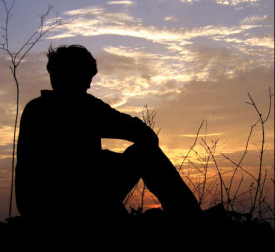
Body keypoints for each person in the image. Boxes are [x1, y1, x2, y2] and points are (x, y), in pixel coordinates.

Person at [15, 44, 201, 233]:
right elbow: (146, 136)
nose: (89, 85)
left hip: (35, 208)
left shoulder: (33, 108)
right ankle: (192, 220)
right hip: (76, 205)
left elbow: (65, 159)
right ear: (77, 75)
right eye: (88, 78)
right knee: (146, 152)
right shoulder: (81, 105)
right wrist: (108, 159)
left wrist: (102, 158)